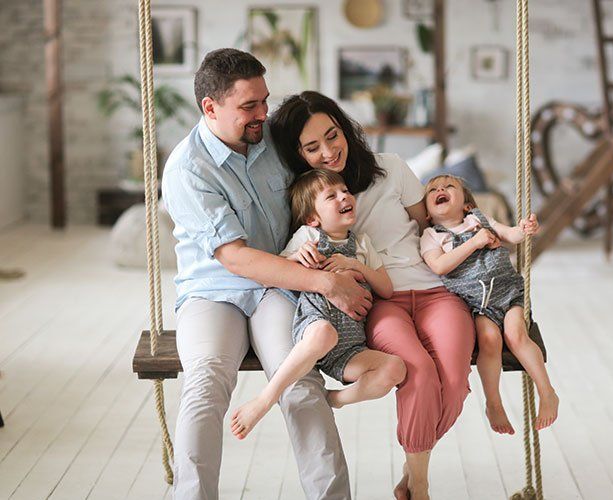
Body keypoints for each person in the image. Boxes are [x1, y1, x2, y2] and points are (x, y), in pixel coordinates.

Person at [161, 49, 368, 500]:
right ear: (210, 107)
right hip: (213, 292)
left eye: (265, 100)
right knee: (206, 381)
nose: (263, 114)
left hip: (279, 286)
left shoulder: (270, 137)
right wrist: (327, 282)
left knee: (301, 382)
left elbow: (326, 158)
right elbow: (235, 258)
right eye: (249, 106)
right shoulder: (186, 170)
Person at [270, 91, 475, 500]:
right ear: (299, 154)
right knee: (418, 371)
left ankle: (412, 472)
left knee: (454, 383)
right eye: (312, 147)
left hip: (435, 291)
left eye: (333, 135)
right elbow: (292, 258)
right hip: (382, 303)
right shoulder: (313, 198)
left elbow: (431, 228)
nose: (329, 151)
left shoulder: (392, 168)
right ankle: (421, 489)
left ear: (344, 128)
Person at [230, 169, 405, 440]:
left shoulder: (362, 244)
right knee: (325, 333)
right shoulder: (308, 236)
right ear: (313, 218)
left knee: (395, 368)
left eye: (345, 191)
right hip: (315, 325)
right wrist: (295, 257)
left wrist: (356, 265)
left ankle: (334, 399)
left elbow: (386, 288)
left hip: (348, 348)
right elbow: (275, 272)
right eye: (331, 196)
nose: (343, 197)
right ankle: (264, 400)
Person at [420, 174, 559, 433]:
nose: (440, 189)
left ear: (467, 205)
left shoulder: (478, 219)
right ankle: (493, 403)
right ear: (427, 213)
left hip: (508, 291)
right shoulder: (431, 236)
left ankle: (547, 392)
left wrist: (523, 229)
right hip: (477, 303)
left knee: (516, 336)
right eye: (433, 190)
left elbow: (510, 234)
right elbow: (439, 265)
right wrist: (475, 242)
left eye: (449, 186)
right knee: (489, 339)